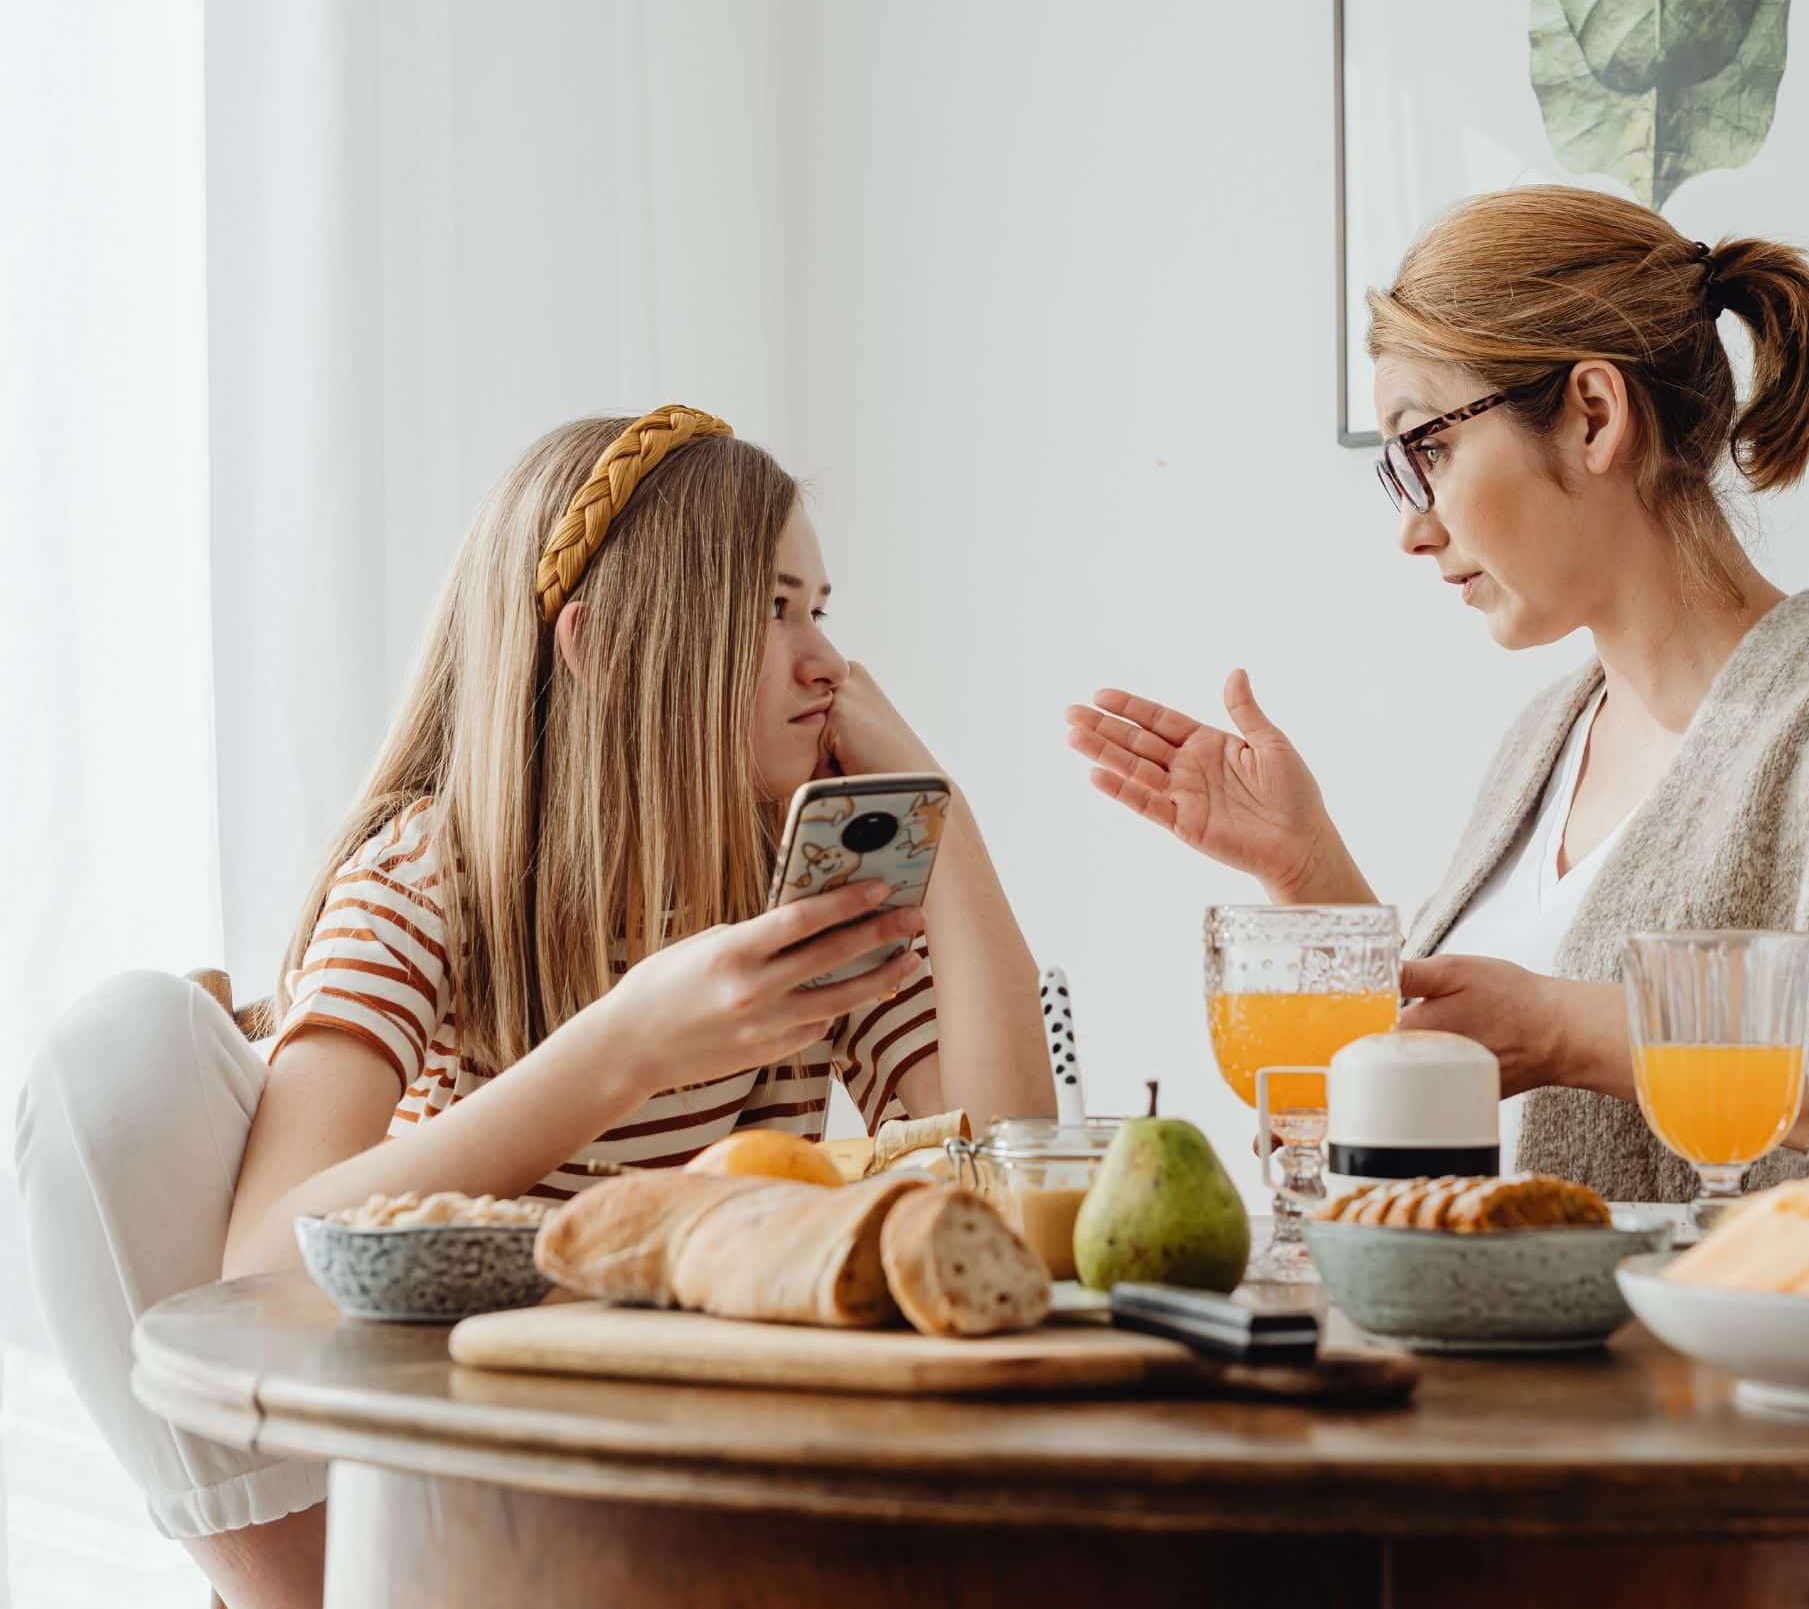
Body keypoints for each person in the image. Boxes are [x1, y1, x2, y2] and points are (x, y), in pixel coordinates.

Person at [18, 404, 1053, 1607]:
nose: (826, 663)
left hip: (693, 1473)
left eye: (818, 611)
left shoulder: (792, 894)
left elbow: (1009, 1159)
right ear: (604, 648)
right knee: (118, 1048)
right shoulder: (429, 876)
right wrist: (622, 1051)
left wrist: (944, 814)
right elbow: (262, 1263)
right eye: (772, 610)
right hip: (447, 1481)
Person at [1069, 186, 1809, 1215]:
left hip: (1720, 1398)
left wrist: (1575, 1030)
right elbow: (1454, 1085)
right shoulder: (1549, 737)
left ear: (1592, 414)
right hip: (1494, 1383)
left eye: (1429, 447)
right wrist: (1309, 874)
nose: (1411, 523)